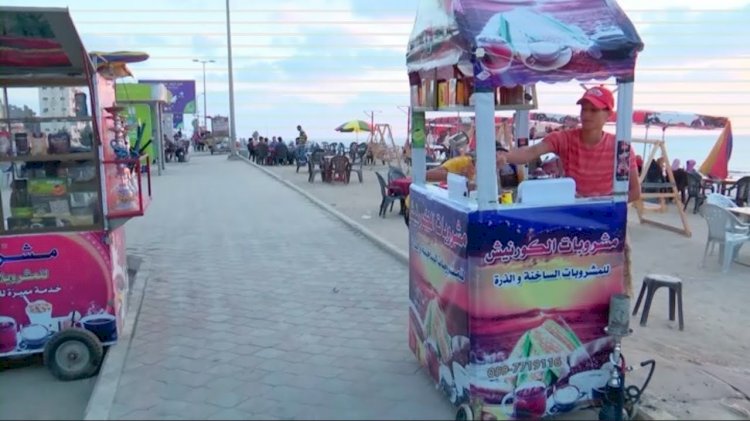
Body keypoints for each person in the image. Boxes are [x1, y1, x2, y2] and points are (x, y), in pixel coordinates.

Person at [497, 86, 640, 294]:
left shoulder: (621, 149)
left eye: (594, 110)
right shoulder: (564, 138)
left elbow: (635, 191)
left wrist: (602, 206)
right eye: (584, 109)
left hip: (609, 225)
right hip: (574, 224)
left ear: (608, 115)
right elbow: (532, 151)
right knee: (571, 286)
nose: (586, 114)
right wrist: (505, 156)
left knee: (616, 287)